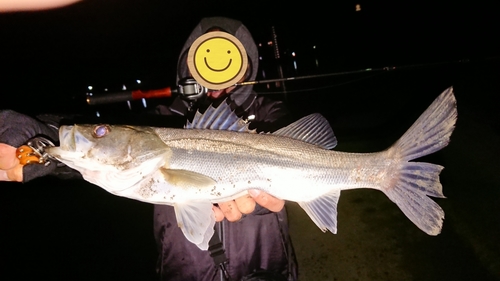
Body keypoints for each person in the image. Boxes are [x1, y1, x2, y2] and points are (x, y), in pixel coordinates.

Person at [0, 17, 298, 281]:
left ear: (247, 66)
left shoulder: (271, 115)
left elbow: (303, 150)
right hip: (184, 270)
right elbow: (101, 148)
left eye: (229, 58)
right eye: (206, 56)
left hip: (268, 266)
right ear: (188, 64)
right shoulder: (162, 121)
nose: (217, 75)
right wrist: (43, 137)